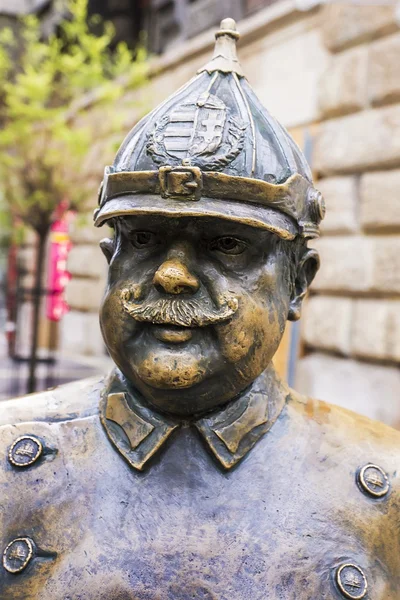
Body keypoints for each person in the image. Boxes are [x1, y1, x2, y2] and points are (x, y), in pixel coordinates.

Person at [1, 19, 399, 600]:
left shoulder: (383, 483)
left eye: (226, 244)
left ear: (297, 284)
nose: (171, 274)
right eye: (142, 240)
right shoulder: (8, 460)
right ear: (110, 258)